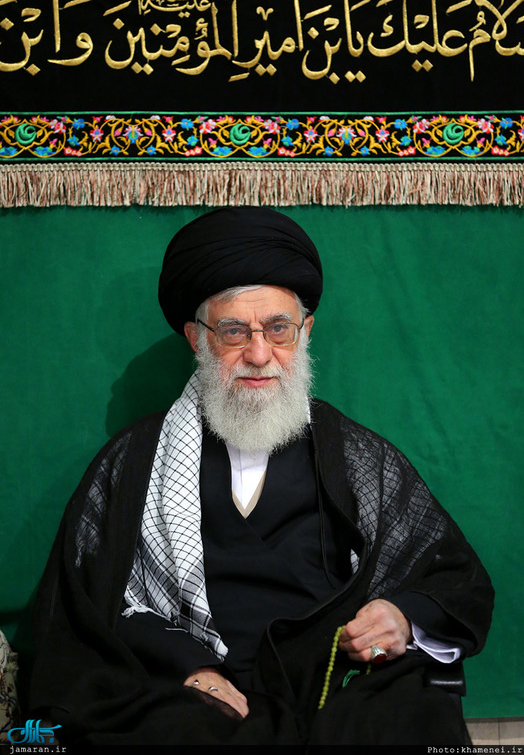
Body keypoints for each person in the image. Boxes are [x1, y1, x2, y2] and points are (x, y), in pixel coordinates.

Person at [29, 207, 494, 747]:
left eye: (278, 329)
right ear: (197, 339)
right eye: (234, 332)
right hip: (195, 691)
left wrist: (401, 615)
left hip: (334, 683)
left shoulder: (354, 454)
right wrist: (188, 666)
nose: (258, 354)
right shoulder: (136, 459)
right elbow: (86, 601)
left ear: (305, 331)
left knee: (410, 715)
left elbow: (452, 575)